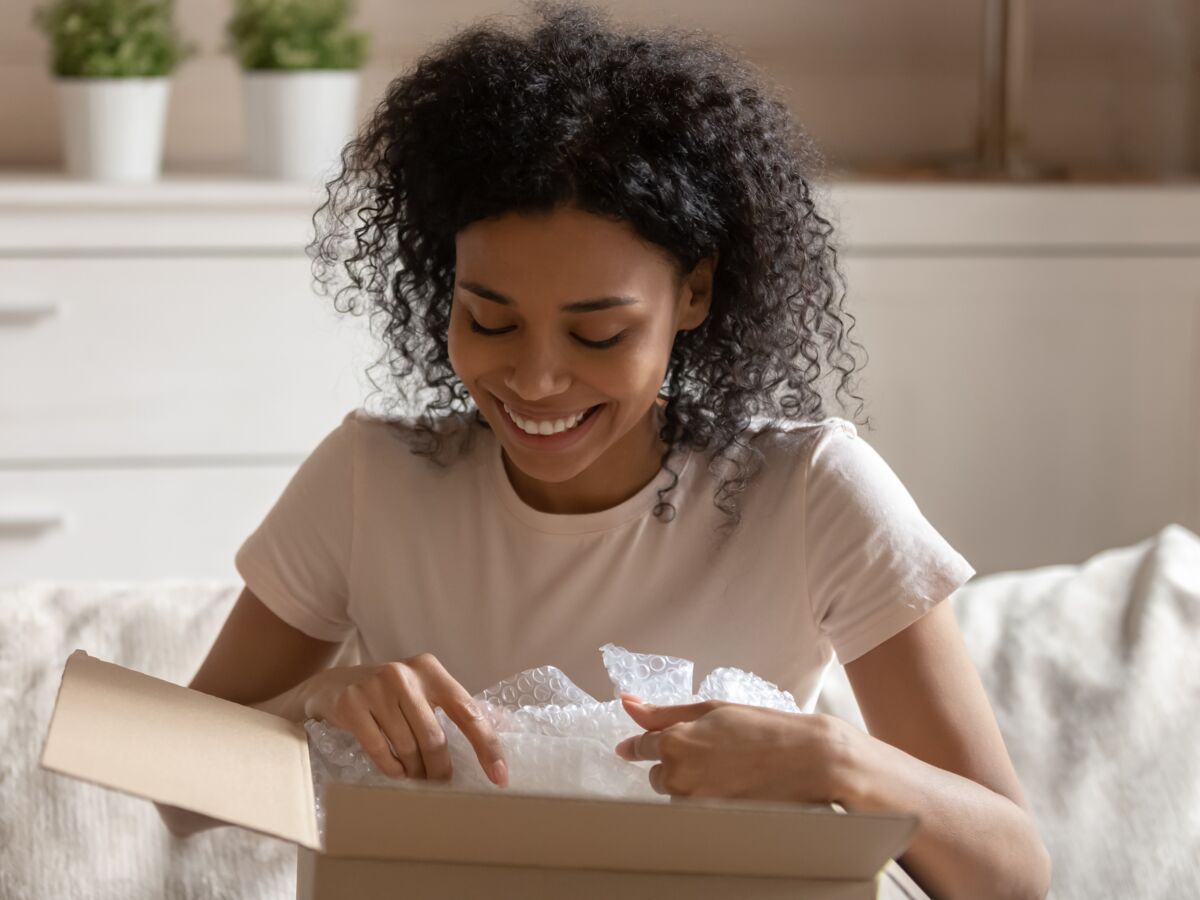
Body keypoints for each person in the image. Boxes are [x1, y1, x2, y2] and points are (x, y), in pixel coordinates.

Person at [161, 4, 1050, 897]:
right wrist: (315, 708)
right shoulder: (370, 481)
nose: (536, 381)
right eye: (490, 319)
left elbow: (1014, 874)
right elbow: (176, 793)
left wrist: (838, 762)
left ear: (694, 293)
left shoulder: (812, 492)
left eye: (598, 336)